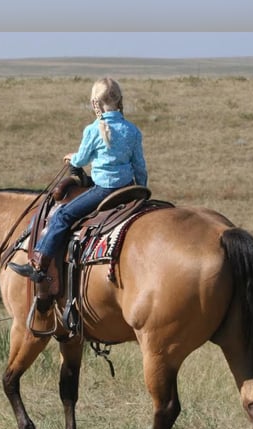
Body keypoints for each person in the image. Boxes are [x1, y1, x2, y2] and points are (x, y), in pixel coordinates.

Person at [9, 77, 148, 284]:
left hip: (104, 189)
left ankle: (38, 263)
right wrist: (140, 190)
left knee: (63, 216)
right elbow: (140, 167)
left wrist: (71, 158)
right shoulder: (132, 130)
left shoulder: (93, 130)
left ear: (95, 103)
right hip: (128, 188)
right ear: (119, 100)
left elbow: (82, 160)